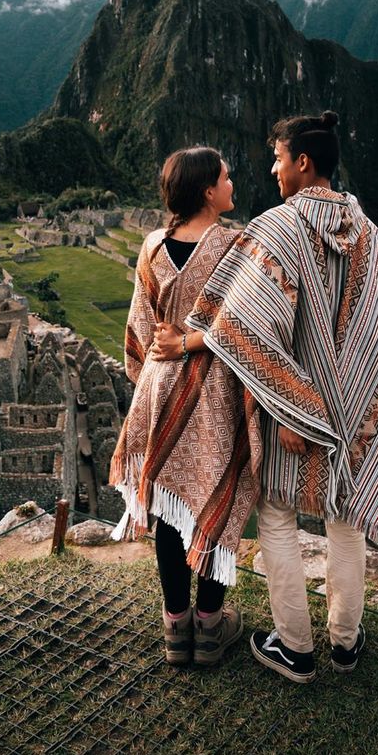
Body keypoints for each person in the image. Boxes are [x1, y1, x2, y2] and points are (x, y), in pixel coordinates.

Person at [186, 111, 378, 682]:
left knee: (275, 515)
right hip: (360, 411)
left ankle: (295, 647)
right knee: (346, 519)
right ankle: (346, 643)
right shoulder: (370, 233)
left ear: (303, 161)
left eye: (277, 157)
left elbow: (241, 325)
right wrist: (374, 392)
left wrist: (292, 401)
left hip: (291, 410)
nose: (272, 169)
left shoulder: (276, 229)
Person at [110, 147, 261, 667]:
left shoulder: (152, 246)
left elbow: (139, 327)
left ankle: (177, 630)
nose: (231, 182)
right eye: (225, 175)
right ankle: (210, 627)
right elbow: (246, 325)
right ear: (206, 191)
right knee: (218, 506)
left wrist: (155, 366)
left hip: (159, 389)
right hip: (215, 396)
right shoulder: (236, 247)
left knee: (170, 511)